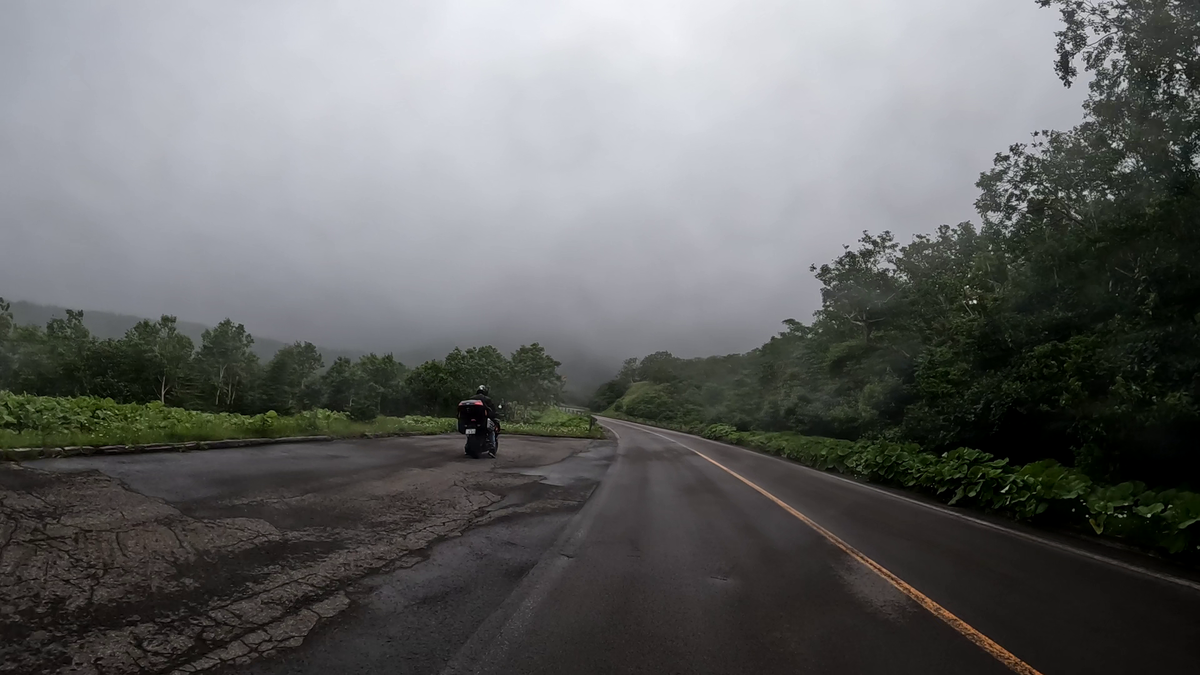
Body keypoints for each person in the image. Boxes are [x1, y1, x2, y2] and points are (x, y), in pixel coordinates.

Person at [468, 384, 499, 456]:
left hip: (471, 420)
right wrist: (494, 415)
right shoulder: (487, 399)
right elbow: (492, 410)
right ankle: (492, 448)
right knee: (491, 431)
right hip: (483, 420)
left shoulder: (471, 398)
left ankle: (468, 446)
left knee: (470, 434)